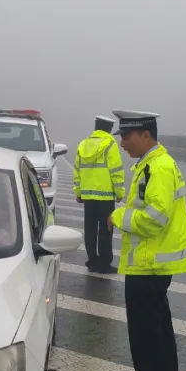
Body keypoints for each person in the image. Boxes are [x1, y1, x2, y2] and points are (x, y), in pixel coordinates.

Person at [106, 110, 186, 371]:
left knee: (145, 337)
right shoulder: (153, 165)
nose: (122, 143)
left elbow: (155, 218)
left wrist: (118, 216)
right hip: (152, 264)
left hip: (148, 265)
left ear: (146, 135)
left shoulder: (157, 168)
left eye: (127, 136)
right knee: (159, 334)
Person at [73, 115, 126, 272]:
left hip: (88, 196)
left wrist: (78, 192)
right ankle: (104, 264)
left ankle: (92, 261)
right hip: (105, 196)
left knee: (90, 229)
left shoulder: (83, 144)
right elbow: (116, 171)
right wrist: (119, 192)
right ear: (109, 129)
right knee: (106, 229)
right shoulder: (110, 144)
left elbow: (77, 171)